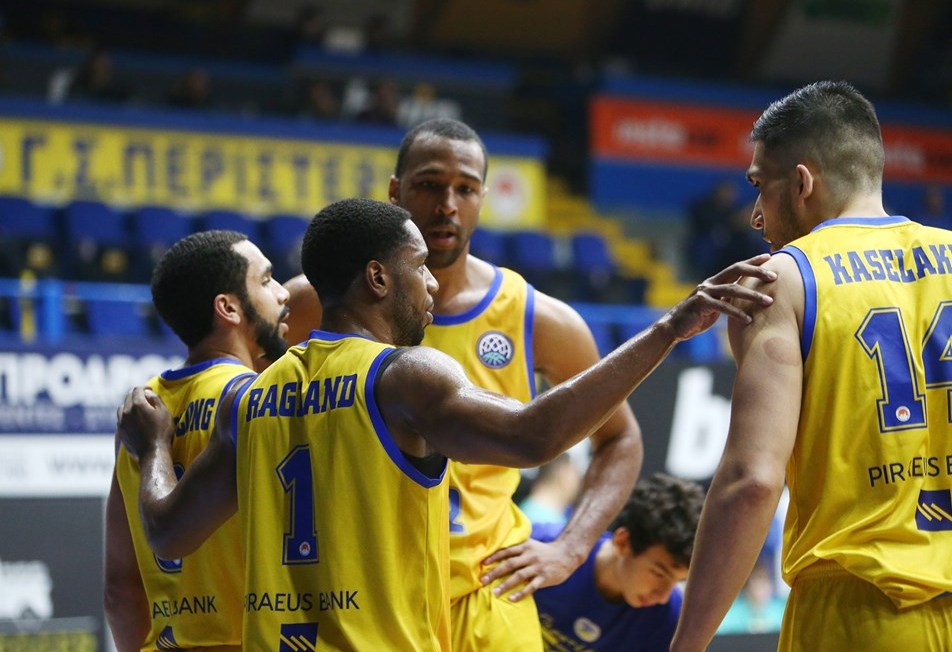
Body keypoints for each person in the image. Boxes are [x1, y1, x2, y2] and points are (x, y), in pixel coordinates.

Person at [117, 197, 775, 650]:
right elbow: (535, 434)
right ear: (378, 277)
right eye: (418, 268)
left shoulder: (254, 396)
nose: (432, 284)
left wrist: (153, 450)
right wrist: (667, 330)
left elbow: (168, 529)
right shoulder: (404, 376)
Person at [284, 118, 649, 651]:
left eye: (466, 188)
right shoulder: (312, 302)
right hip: (362, 593)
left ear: (482, 198)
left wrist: (571, 547)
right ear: (396, 191)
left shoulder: (537, 317)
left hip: (486, 592)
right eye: (430, 184)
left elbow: (620, 437)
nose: (447, 204)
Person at [671, 80, 952, 652]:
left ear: (802, 183)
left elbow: (753, 482)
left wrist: (687, 643)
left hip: (862, 609)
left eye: (759, 186)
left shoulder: (780, 281)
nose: (755, 215)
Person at [103, 230, 289, 651]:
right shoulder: (259, 400)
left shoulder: (139, 413)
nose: (282, 293)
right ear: (228, 308)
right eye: (266, 280)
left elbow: (120, 589)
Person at [532, 473, 704, 651]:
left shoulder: (669, 619)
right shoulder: (541, 547)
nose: (662, 596)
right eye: (659, 574)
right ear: (623, 542)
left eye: (678, 581)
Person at [518, 453, 582, 526]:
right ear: (563, 474)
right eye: (575, 472)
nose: (578, 480)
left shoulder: (529, 510)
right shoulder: (547, 524)